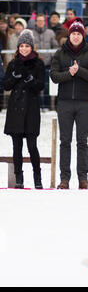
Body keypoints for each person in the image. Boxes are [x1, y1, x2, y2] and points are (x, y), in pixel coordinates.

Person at [50, 18, 88, 189]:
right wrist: (69, 74)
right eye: (73, 34)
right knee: (65, 141)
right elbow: (54, 76)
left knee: (82, 141)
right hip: (64, 103)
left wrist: (79, 71)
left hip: (84, 103)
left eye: (79, 33)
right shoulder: (60, 53)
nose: (76, 36)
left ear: (83, 35)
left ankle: (83, 178)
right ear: (69, 35)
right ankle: (64, 178)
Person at [3, 29, 45, 189]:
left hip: (31, 109)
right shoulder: (13, 63)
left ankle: (37, 177)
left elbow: (41, 86)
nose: (24, 49)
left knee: (32, 146)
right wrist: (14, 77)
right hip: (15, 109)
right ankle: (18, 178)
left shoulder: (38, 63)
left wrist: (30, 79)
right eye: (22, 46)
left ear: (32, 47)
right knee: (17, 146)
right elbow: (6, 85)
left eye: (27, 46)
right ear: (18, 47)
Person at [32, 14, 58, 110]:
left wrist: (51, 57)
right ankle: (37, 105)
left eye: (42, 21)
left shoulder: (50, 33)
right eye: (38, 20)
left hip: (47, 64)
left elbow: (55, 46)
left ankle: (46, 106)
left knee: (47, 85)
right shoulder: (31, 33)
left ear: (44, 22)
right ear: (35, 22)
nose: (40, 22)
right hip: (35, 64)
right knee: (36, 85)